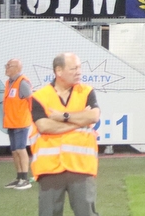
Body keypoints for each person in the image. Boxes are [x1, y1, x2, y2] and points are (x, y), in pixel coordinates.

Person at [29, 52, 101, 216]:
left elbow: (93, 116)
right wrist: (78, 121)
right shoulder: (39, 97)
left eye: (79, 68)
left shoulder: (87, 92)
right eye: (74, 68)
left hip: (81, 166)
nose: (79, 72)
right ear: (59, 71)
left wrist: (63, 117)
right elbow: (44, 126)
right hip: (49, 169)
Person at [3, 58, 33, 190]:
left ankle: (25, 179)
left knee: (21, 149)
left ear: (17, 68)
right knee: (15, 151)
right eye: (7, 65)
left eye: (9, 66)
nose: (6, 68)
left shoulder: (22, 82)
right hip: (12, 121)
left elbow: (31, 99)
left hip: (21, 121)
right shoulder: (9, 83)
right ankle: (19, 177)